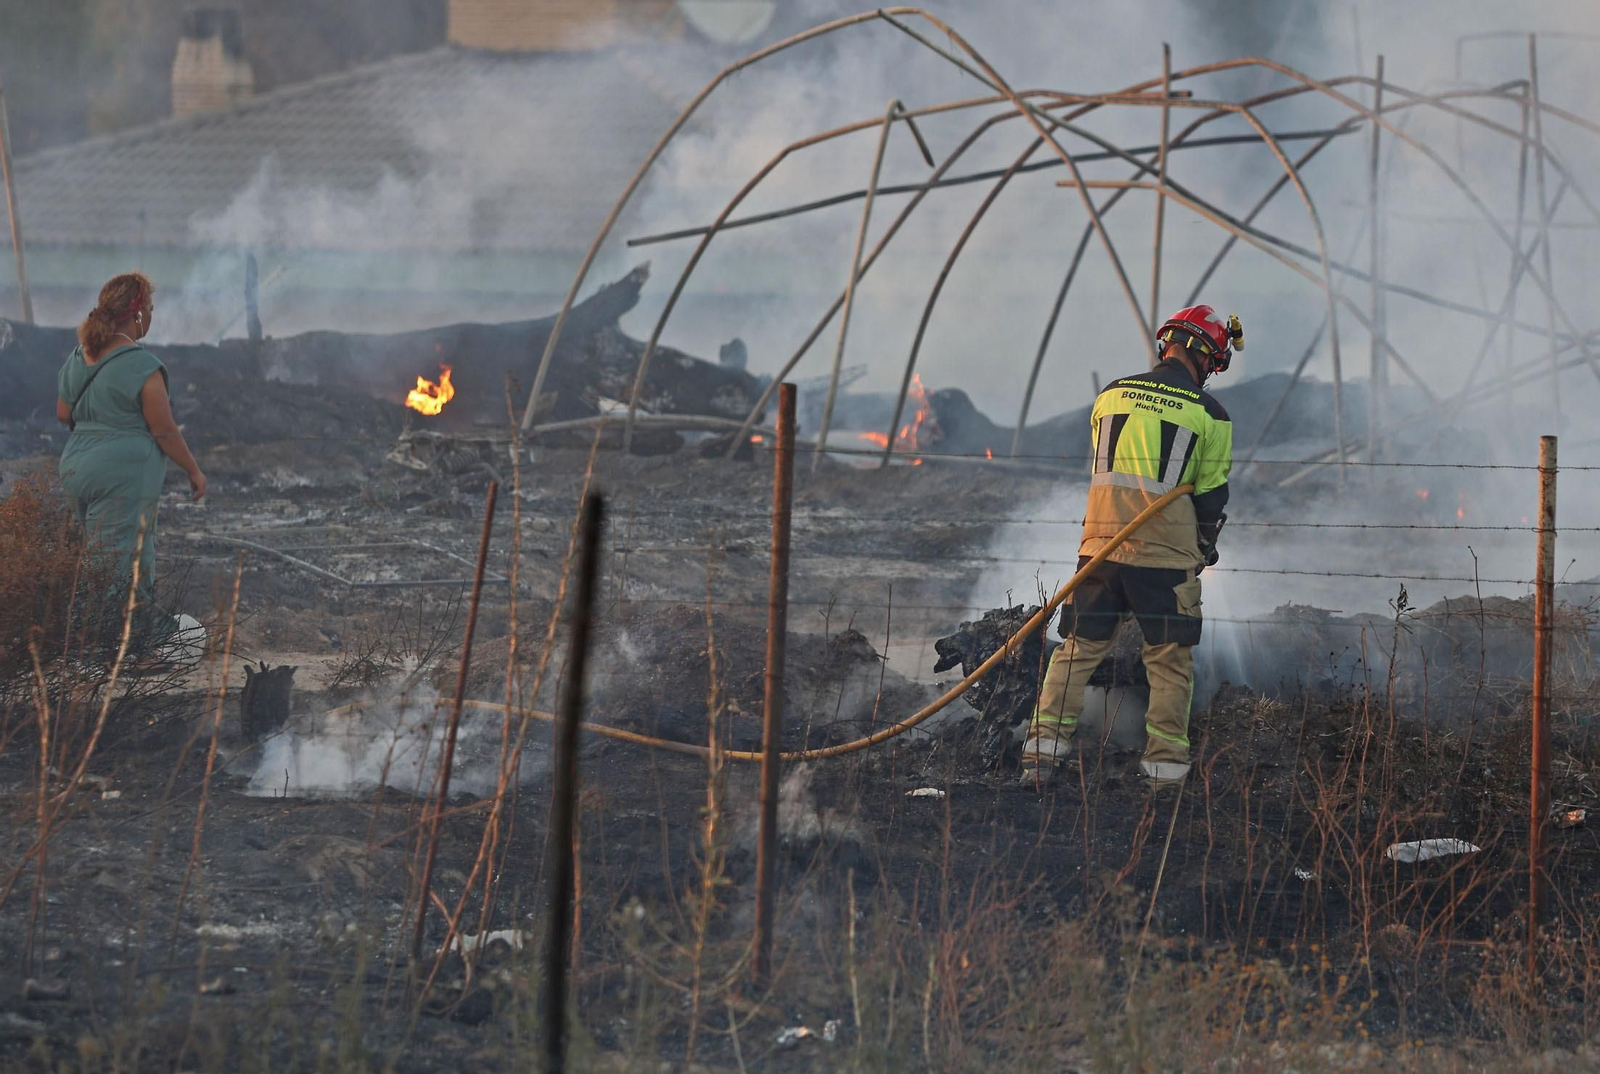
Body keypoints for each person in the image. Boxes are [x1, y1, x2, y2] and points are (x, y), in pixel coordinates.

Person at [1020, 305, 1239, 790]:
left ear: (1168, 345)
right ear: (1206, 357)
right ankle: (1163, 770)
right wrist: (1204, 549)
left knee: (1075, 651)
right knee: (1169, 660)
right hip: (1164, 558)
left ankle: (1039, 755)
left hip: (1098, 548)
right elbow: (1211, 496)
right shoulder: (1210, 415)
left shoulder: (1110, 396)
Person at [56, 272, 206, 649]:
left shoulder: (81, 355)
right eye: (151, 309)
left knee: (96, 557)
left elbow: (62, 412)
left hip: (76, 467)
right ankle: (119, 644)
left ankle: (88, 640)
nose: (151, 317)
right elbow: (164, 429)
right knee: (125, 561)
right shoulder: (142, 366)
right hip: (121, 476)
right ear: (137, 315)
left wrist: (98, 424)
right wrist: (193, 470)